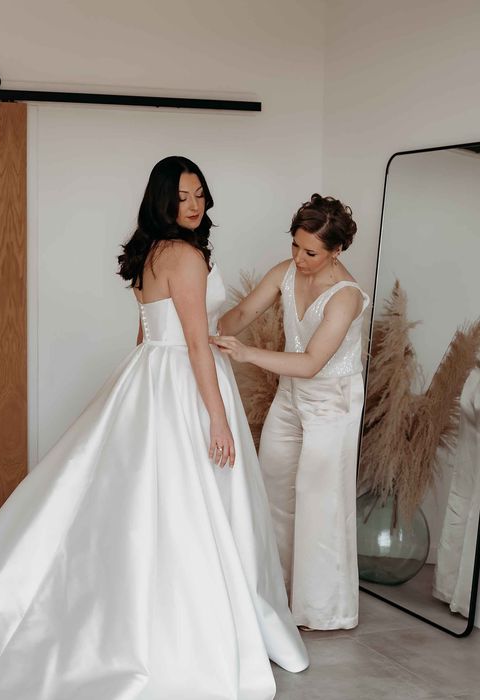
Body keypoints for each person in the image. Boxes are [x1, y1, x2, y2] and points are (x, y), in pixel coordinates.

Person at [0, 156, 308, 699]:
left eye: (199, 194)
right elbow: (190, 343)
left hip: (151, 378)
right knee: (188, 500)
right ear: (162, 201)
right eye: (183, 197)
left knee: (147, 503)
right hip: (185, 382)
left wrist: (135, 394)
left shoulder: (151, 254)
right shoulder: (185, 256)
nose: (193, 205)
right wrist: (216, 416)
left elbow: (146, 336)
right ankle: (190, 625)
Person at [212, 194, 369, 631]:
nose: (299, 258)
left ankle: (322, 611)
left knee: (319, 503)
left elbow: (311, 363)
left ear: (337, 251)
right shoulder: (285, 272)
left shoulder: (346, 297)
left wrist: (246, 354)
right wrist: (197, 335)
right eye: (295, 246)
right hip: (290, 396)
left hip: (332, 402)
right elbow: (242, 313)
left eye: (311, 252)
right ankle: (277, 594)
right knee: (274, 490)